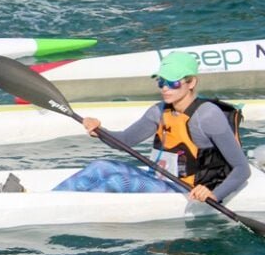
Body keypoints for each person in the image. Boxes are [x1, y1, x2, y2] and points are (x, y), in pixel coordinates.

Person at [55, 51, 250, 203]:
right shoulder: (158, 111)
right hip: (158, 178)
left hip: (186, 189)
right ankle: (50, 200)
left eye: (173, 82)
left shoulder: (207, 116)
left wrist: (214, 195)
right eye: (161, 81)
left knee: (118, 181)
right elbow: (124, 141)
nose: (165, 88)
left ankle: (64, 208)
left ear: (191, 82)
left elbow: (242, 169)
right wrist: (99, 130)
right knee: (100, 166)